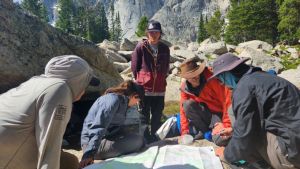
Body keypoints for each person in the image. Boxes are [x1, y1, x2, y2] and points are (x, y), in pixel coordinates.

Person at [0, 55, 100, 169]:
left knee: (65, 159)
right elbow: (50, 147)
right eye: (86, 82)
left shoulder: (34, 82)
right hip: (6, 157)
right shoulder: (60, 89)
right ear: (78, 80)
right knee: (69, 163)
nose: (85, 88)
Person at [211, 53, 300, 169]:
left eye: (220, 79)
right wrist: (234, 130)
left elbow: (246, 134)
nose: (222, 83)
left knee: (243, 145)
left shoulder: (244, 88)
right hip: (295, 140)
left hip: (292, 154)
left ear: (226, 74)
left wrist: (226, 155)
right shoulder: (264, 78)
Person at [79, 80, 145, 168]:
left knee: (138, 138)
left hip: (105, 138)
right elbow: (99, 126)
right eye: (138, 101)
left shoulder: (122, 102)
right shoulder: (112, 100)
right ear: (134, 96)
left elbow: (114, 127)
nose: (136, 104)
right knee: (138, 141)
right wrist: (89, 154)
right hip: (92, 145)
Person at [178, 57, 233, 146]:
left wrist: (225, 124)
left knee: (219, 140)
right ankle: (205, 131)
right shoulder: (185, 88)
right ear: (186, 78)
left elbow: (226, 101)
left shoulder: (212, 78)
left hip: (220, 114)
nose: (195, 78)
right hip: (206, 114)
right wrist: (184, 132)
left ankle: (215, 130)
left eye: (196, 74)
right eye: (190, 77)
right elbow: (183, 110)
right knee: (187, 105)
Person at [131, 20, 170, 143]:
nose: (153, 34)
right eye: (151, 32)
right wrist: (141, 80)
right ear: (147, 33)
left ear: (160, 33)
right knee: (143, 115)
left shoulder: (165, 48)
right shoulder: (141, 47)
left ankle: (155, 137)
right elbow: (134, 66)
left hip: (159, 89)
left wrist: (162, 77)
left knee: (157, 115)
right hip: (144, 88)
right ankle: (144, 137)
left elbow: (166, 66)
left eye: (156, 32)